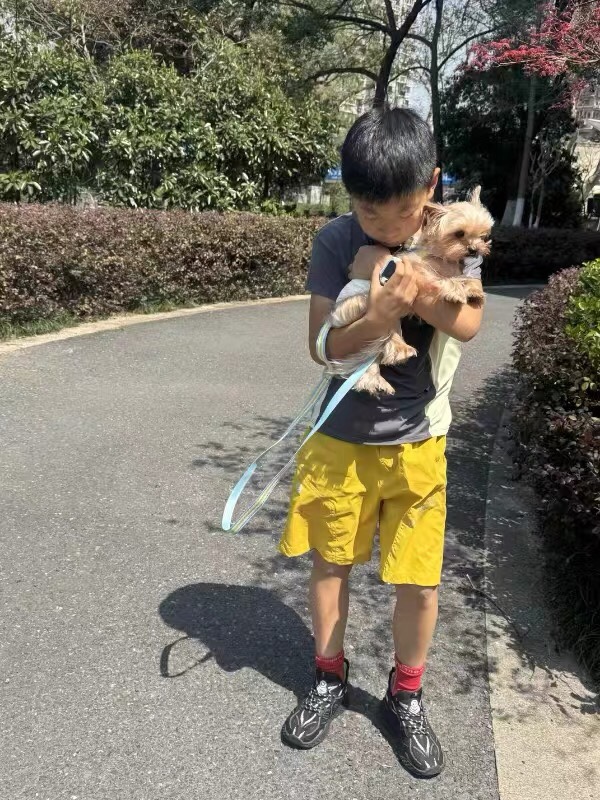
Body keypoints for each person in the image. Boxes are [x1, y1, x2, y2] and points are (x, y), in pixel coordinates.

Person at [278, 106, 484, 778]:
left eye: (401, 211)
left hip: (418, 442)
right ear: (350, 196)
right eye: (369, 210)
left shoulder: (453, 234)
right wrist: (377, 310)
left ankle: (406, 694)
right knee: (330, 565)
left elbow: (468, 322)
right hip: (340, 440)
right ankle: (329, 675)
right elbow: (324, 346)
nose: (386, 224)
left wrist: (395, 273)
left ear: (431, 185)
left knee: (419, 582)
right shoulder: (336, 240)